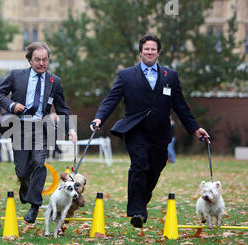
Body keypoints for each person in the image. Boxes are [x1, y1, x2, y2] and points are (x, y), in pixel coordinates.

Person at [90, 34, 210, 228]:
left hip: (160, 133)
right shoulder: (126, 75)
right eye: (146, 49)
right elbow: (111, 99)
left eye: (153, 49)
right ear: (140, 52)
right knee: (140, 165)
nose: (150, 52)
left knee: (155, 168)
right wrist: (99, 118)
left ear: (158, 52)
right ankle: (137, 211)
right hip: (135, 130)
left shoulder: (170, 76)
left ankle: (141, 202)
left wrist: (195, 128)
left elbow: (180, 106)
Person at [0, 41, 77, 224]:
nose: (41, 63)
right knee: (22, 170)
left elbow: (62, 108)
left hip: (41, 126)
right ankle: (24, 186)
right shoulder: (17, 76)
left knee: (39, 163)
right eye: (37, 60)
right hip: (19, 126)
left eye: (45, 60)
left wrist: (70, 128)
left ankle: (34, 206)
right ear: (30, 60)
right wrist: (12, 105)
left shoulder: (55, 82)